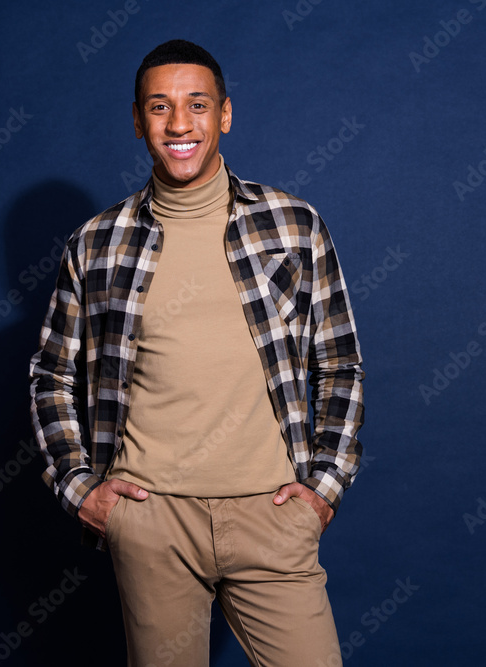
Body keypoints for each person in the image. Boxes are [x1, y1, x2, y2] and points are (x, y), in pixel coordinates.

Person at [29, 38, 365, 667]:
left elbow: (339, 365)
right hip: (152, 522)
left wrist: (323, 489)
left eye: (197, 105)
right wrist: (80, 489)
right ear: (137, 121)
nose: (179, 124)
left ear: (225, 114)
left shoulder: (293, 225)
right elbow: (51, 376)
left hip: (273, 515)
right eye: (159, 107)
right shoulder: (97, 243)